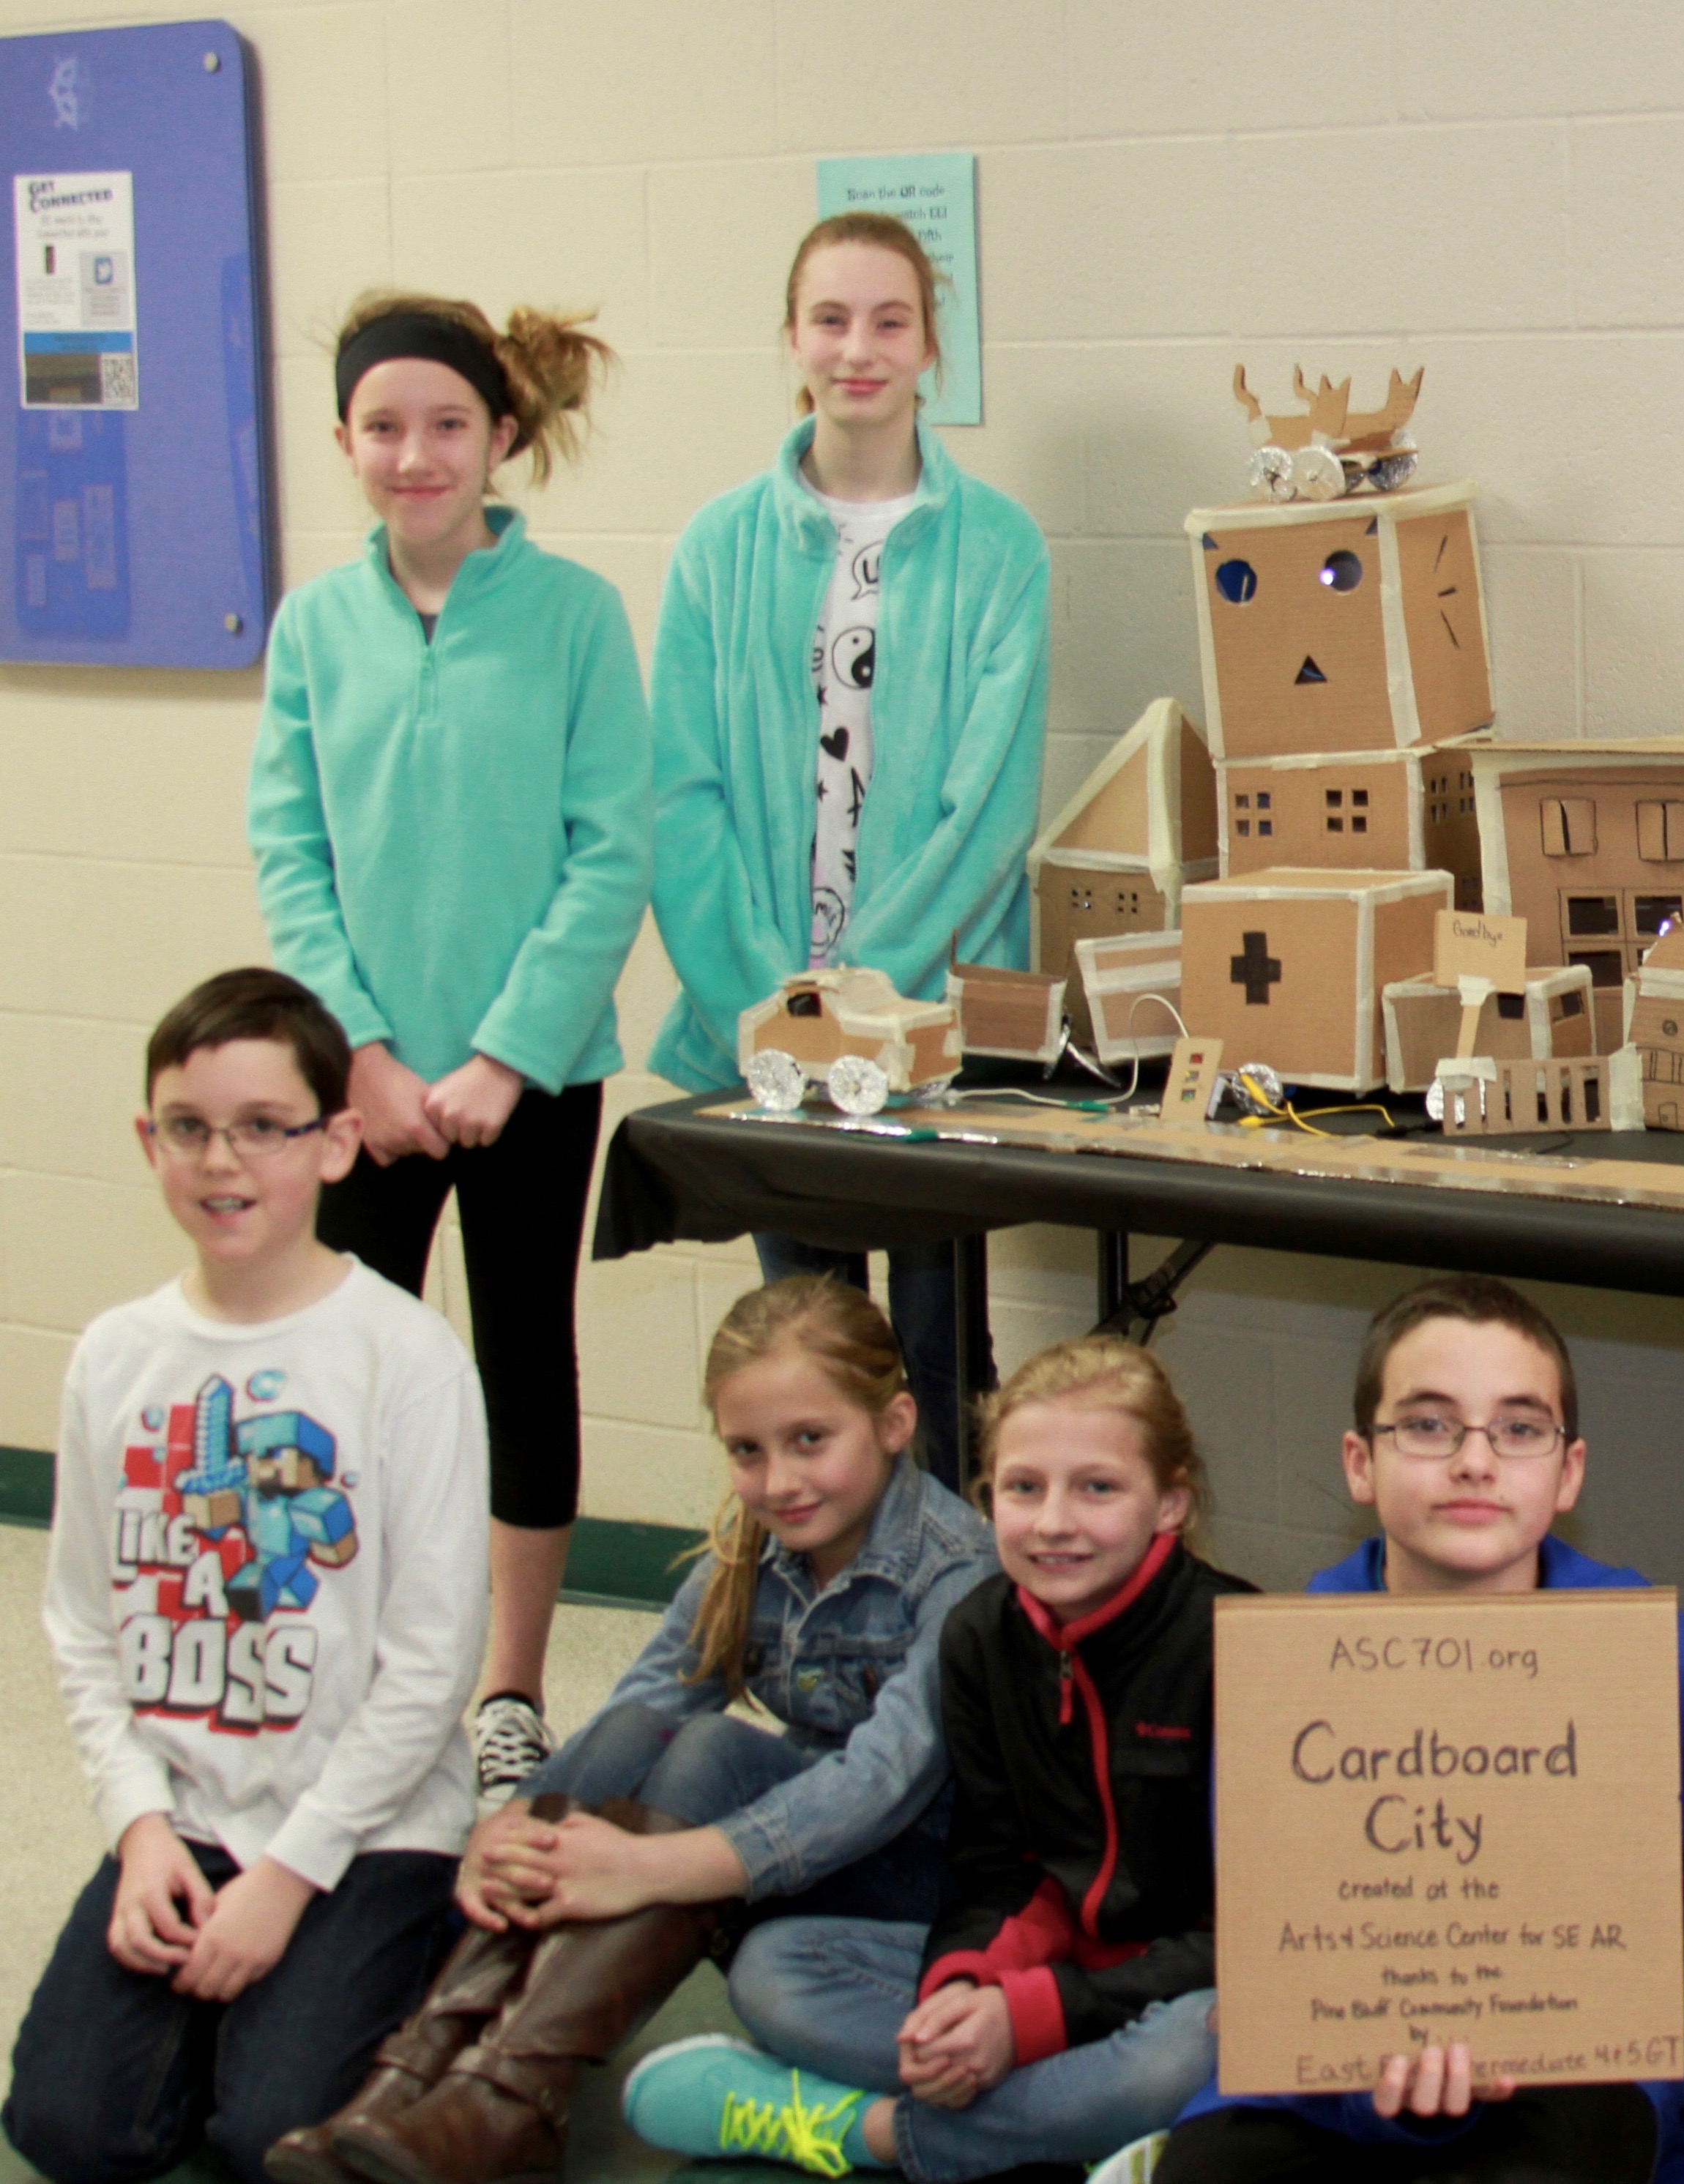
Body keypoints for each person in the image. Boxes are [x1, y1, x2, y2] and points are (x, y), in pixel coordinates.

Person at [277, 1276, 994, 2184]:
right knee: (645, 1734)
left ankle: (509, 2092)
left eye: (811, 1440)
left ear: (893, 1423)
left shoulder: (956, 1568)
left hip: (919, 1876)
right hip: (782, 1860)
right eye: (746, 1449)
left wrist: (651, 1866)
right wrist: (516, 1828)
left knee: (713, 1751)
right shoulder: (756, 1540)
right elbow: (647, 1697)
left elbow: (881, 1783)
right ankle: (428, 2065)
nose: (778, 1480)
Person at [247, 288, 651, 1794]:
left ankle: (505, 1691)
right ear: (344, 440)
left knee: (520, 1369)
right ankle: (354, 1674)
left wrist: (500, 1058)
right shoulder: (315, 625)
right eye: (382, 427)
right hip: (359, 1082)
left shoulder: (574, 617)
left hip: (528, 1079)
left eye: (445, 426)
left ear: (501, 437)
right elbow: (289, 849)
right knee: (347, 1379)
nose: (413, 455)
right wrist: (358, 1053)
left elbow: (606, 852)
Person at [6, 969, 488, 2184]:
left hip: (365, 1830)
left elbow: (432, 1667)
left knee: (265, 2135)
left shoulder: (408, 1358)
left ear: (333, 1144)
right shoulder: (115, 1356)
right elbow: (79, 1623)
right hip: (190, 1819)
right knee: (68, 2128)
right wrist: (137, 1827)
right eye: (189, 1126)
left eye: (264, 1127)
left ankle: (430, 1965)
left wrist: (285, 1879)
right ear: (147, 1137)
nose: (223, 1161)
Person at [1144, 1275, 1684, 2184]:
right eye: (1428, 1424)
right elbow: (1272, 1949)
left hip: (1575, 2068)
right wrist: (1367, 2096)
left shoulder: (1653, 1660)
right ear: (1360, 1462)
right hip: (1324, 2082)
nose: (1476, 1460)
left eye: (1519, 1428)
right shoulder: (1290, 1668)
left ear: (1569, 1471)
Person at [621, 1335, 1246, 2180]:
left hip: (1183, 1991)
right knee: (775, 1969)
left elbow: (1256, 1934)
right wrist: (965, 1985)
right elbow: (998, 1864)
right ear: (992, 1501)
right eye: (1024, 1488)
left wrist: (1029, 2018)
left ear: (1170, 1503)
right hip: (1050, 1966)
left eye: (1098, 1488)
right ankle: (1079, 2122)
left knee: (1196, 2054)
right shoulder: (982, 1633)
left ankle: (864, 2131)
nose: (1055, 1520)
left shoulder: (1236, 1643)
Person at [647, 209, 1052, 1480]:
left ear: (933, 346)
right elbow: (684, 794)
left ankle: (940, 1645)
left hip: (924, 1021)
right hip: (767, 1018)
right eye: (831, 318)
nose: (858, 348)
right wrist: (773, 1000)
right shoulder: (718, 549)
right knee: (809, 1366)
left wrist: (863, 1000)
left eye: (889, 320)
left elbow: (988, 808)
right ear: (791, 339)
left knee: (932, 1369)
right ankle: (820, 1634)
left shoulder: (1001, 548)